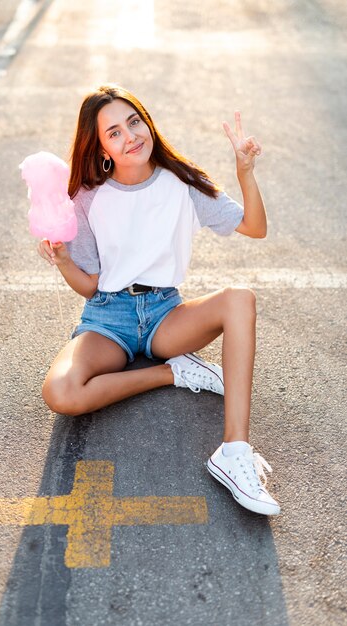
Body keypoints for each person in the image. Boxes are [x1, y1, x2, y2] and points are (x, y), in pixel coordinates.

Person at [37, 84, 280, 516]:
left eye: (134, 122)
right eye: (114, 132)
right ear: (101, 147)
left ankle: (234, 451)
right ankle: (172, 375)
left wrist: (245, 172)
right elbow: (92, 285)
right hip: (107, 317)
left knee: (240, 298)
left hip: (167, 313)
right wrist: (62, 260)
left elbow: (254, 227)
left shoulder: (183, 183)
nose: (130, 135)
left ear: (147, 122)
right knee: (62, 392)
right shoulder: (87, 198)